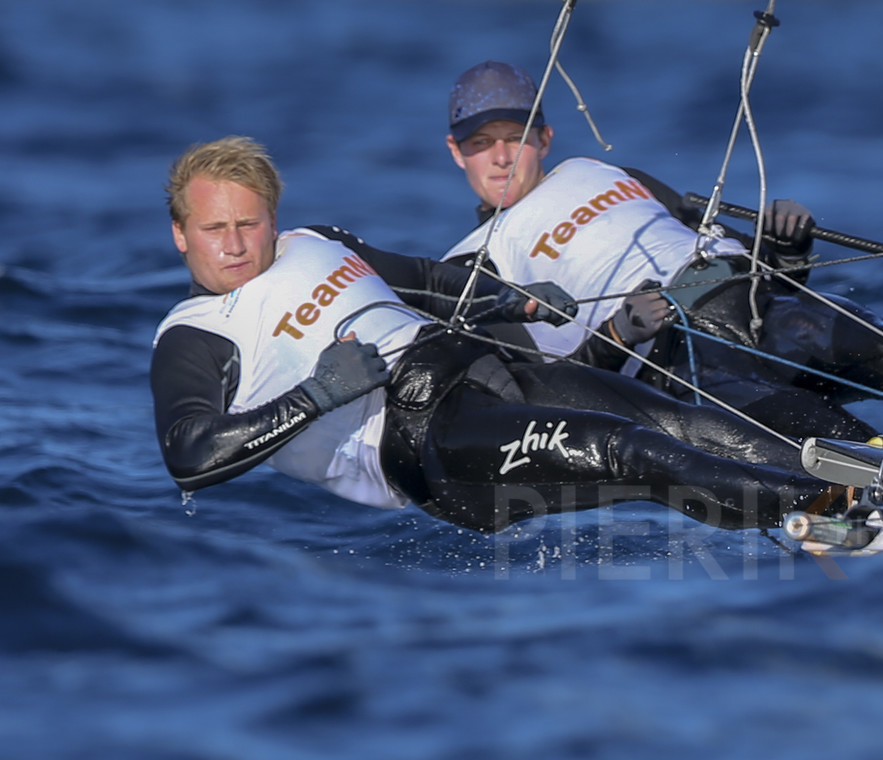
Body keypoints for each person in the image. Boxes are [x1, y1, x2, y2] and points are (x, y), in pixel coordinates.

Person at [150, 136, 836, 533]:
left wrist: (514, 301)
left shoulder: (313, 241)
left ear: (273, 217)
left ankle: (869, 477)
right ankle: (829, 513)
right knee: (630, 449)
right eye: (215, 230)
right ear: (181, 235)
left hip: (484, 370)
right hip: (427, 445)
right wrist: (319, 395)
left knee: (684, 422)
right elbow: (190, 456)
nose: (237, 245)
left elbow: (423, 278)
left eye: (250, 223)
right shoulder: (195, 336)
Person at [439, 60, 883, 441]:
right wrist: (618, 336)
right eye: (481, 143)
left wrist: (786, 252)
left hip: (762, 308)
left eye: (516, 137)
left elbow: (759, 266)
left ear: (544, 139)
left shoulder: (609, 172)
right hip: (682, 363)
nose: (501, 157)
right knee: (841, 442)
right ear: (457, 151)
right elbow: (539, 396)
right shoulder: (470, 265)